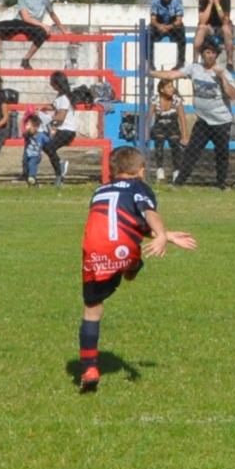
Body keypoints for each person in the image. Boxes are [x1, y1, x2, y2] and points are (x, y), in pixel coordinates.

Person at [77, 146, 197, 392]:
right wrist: (163, 235)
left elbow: (124, 218)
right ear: (141, 171)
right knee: (132, 258)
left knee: (92, 309)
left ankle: (89, 367)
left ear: (112, 170)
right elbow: (147, 213)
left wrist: (167, 236)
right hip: (123, 249)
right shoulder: (139, 188)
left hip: (95, 248)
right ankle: (131, 268)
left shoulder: (99, 191)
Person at [152, 42, 235, 190]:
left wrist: (221, 77)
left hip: (221, 122)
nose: (209, 55)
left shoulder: (223, 72)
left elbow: (233, 95)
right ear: (202, 54)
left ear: (217, 55)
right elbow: (173, 75)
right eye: (207, 52)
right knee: (192, 151)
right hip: (203, 121)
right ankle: (178, 183)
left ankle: (221, 184)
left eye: (212, 53)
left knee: (222, 154)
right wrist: (151, 73)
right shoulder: (194, 69)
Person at [148, 79, 188, 183]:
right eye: (169, 87)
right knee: (159, 140)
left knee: (175, 142)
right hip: (159, 126)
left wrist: (184, 136)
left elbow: (182, 118)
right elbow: (149, 116)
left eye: (172, 86)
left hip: (172, 126)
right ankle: (160, 169)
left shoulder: (176, 100)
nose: (172, 89)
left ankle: (176, 171)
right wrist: (145, 132)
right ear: (162, 89)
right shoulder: (155, 99)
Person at [43, 71, 79, 186]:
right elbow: (54, 106)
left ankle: (59, 171)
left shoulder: (64, 98)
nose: (50, 84)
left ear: (56, 84)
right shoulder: (60, 96)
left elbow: (61, 117)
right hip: (61, 130)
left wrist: (48, 118)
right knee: (47, 146)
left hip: (67, 131)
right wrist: (43, 108)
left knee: (49, 147)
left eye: (51, 82)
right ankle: (60, 168)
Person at [194, 0, 235, 72]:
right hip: (209, 28)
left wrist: (217, 4)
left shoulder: (225, 0)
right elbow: (202, 21)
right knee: (201, 28)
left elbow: (225, 21)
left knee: (226, 29)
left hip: (222, 27)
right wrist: (210, 4)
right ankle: (195, 61)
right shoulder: (203, 0)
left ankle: (229, 62)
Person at [149, 0, 187, 70]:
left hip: (173, 26)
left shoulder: (177, 0)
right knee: (150, 33)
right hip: (160, 25)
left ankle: (180, 62)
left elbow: (179, 20)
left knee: (181, 31)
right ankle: (150, 62)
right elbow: (153, 20)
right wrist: (159, 26)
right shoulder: (156, 0)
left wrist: (168, 27)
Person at [22, 114, 50, 185]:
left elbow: (48, 140)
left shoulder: (41, 135)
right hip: (27, 155)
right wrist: (27, 130)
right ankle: (32, 181)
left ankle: (32, 177)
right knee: (26, 164)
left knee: (32, 163)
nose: (27, 127)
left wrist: (51, 134)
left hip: (36, 155)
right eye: (26, 125)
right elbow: (25, 134)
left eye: (29, 125)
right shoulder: (27, 135)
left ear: (36, 127)